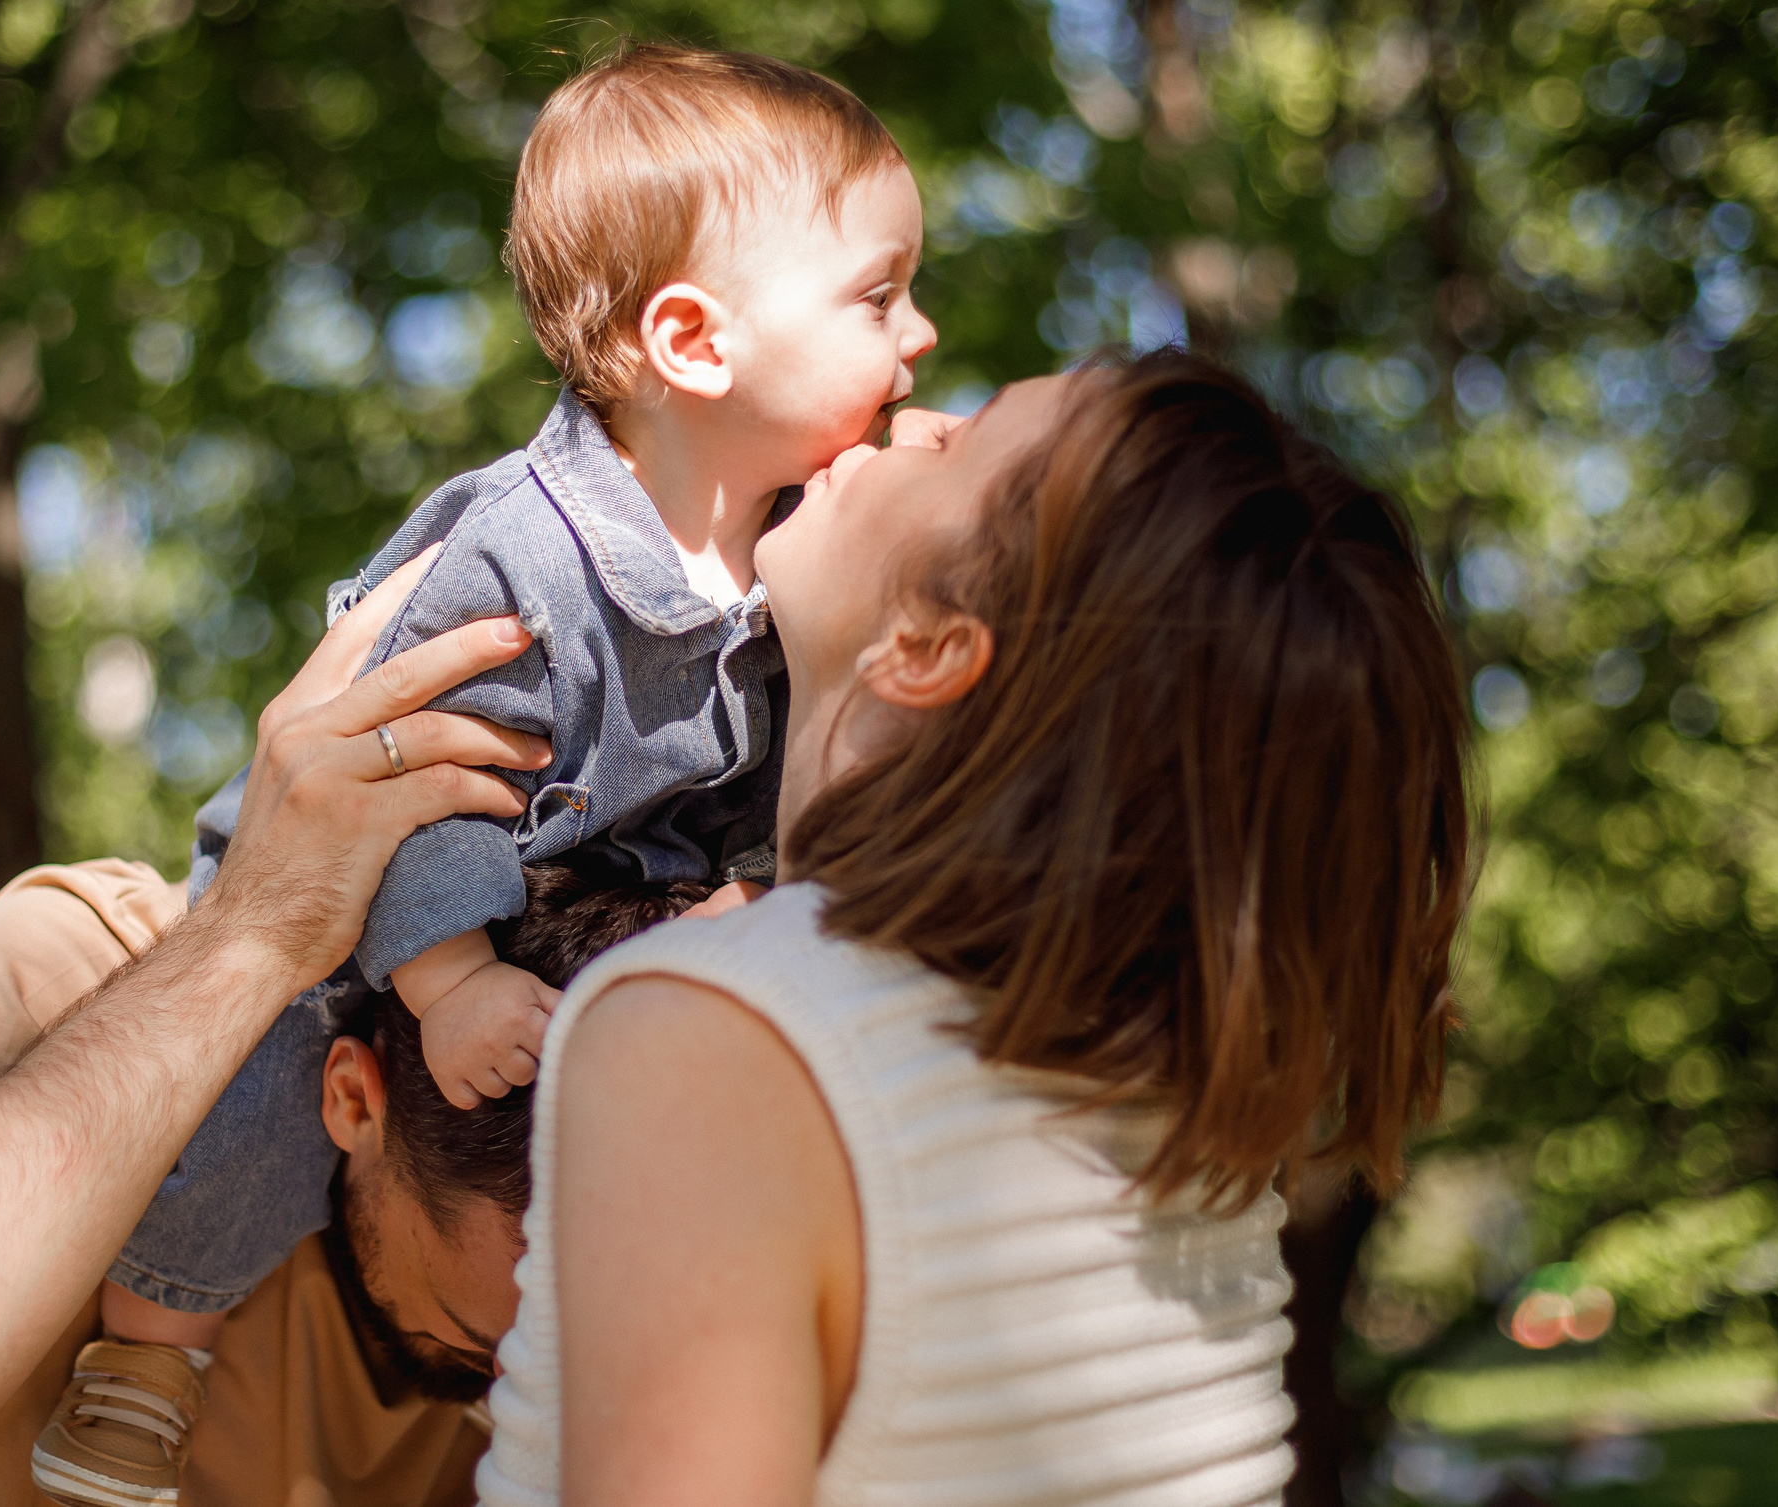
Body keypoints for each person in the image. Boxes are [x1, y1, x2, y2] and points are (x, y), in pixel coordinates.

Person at [71, 41, 940, 1499]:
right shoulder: (527, 553)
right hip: (355, 894)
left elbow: (741, 781)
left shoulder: (792, 546)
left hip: (578, 888)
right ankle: (153, 1341)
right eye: (877, 294)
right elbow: (404, 775)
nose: (916, 334)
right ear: (694, 341)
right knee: (265, 1088)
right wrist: (446, 979)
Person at [479, 350, 1474, 1506]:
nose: (912, 421)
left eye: (963, 442)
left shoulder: (715, 1035)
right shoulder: (1165, 1081)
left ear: (930, 647)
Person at [0, 562, 550, 1506]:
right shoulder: (87, 962)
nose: (520, 1387)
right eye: (474, 1339)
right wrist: (253, 932)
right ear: (355, 1095)